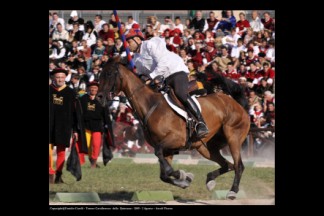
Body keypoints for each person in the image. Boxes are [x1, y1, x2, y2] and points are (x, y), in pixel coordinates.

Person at [125, 29, 209, 138]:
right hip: (162, 78)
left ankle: (201, 122)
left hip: (175, 71)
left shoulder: (150, 45)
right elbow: (143, 75)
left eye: (129, 42)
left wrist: (151, 77)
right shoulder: (136, 58)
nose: (127, 45)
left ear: (137, 39)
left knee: (180, 93)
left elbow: (163, 62)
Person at [49, 68, 78, 184]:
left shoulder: (71, 92)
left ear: (65, 78)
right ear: (53, 78)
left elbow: (75, 113)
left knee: (61, 151)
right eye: (57, 77)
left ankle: (58, 175)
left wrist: (75, 130)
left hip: (64, 126)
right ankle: (50, 173)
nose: (60, 79)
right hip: (49, 125)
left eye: (62, 77)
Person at [79, 81, 104, 168]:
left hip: (97, 126)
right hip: (86, 126)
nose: (93, 89)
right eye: (92, 87)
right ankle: (91, 160)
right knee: (88, 145)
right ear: (88, 88)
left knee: (96, 145)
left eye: (95, 88)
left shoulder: (101, 100)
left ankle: (94, 161)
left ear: (98, 90)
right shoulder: (83, 99)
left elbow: (105, 113)